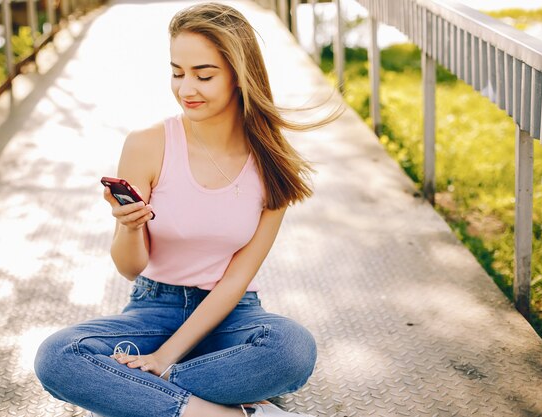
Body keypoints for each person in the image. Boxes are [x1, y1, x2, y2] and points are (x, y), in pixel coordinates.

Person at [35, 3, 339, 416]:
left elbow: (235, 282)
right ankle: (234, 411)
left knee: (291, 348)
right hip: (153, 308)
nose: (186, 88)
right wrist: (127, 226)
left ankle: (138, 399)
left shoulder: (272, 161)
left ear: (238, 75)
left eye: (204, 74)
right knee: (58, 357)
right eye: (177, 72)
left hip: (230, 314)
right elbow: (130, 267)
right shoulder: (147, 144)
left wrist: (163, 361)